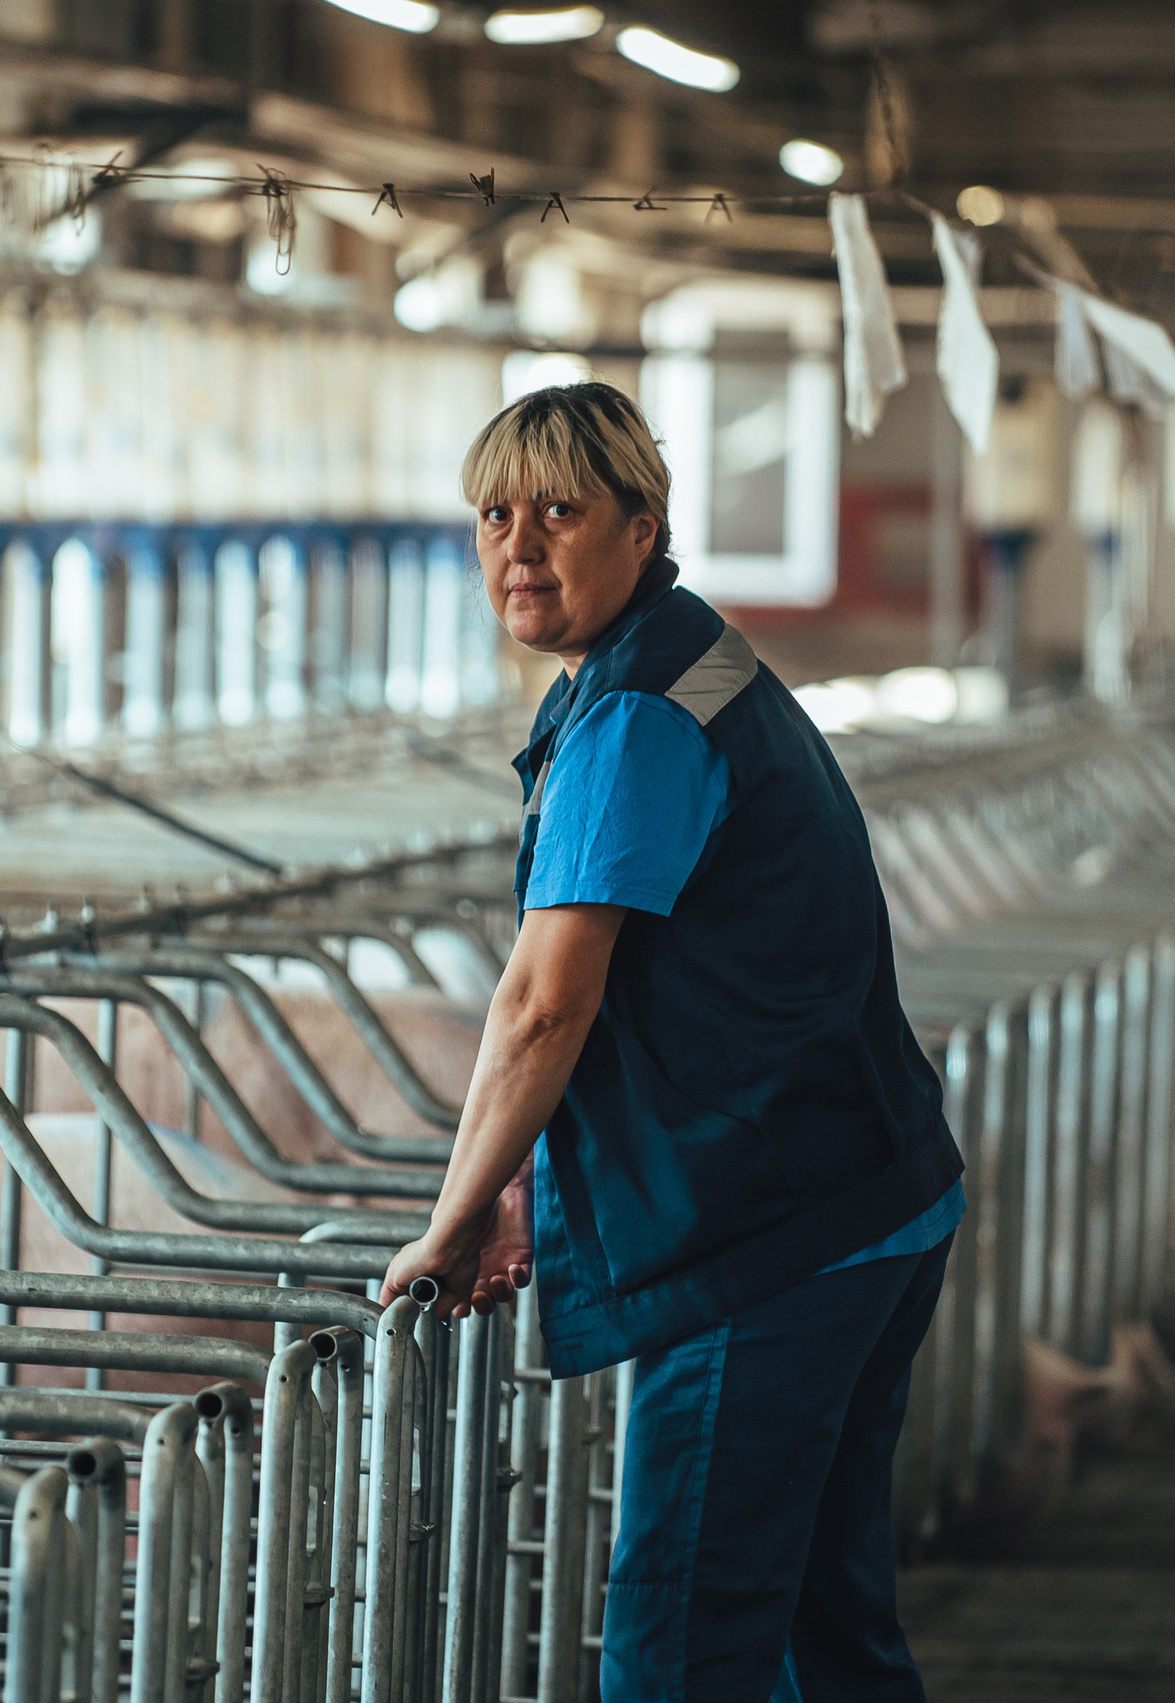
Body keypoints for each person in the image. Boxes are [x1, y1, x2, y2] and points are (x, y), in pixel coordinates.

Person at [381, 381, 965, 1703]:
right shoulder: (698, 654)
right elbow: (655, 979)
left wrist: (454, 1215)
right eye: (493, 517)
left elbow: (547, 1001)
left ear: (642, 527)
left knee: (679, 1646)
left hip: (767, 1235)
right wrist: (531, 1186)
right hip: (870, 1191)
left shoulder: (638, 713)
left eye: (560, 513)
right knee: (826, 1628)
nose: (518, 547)